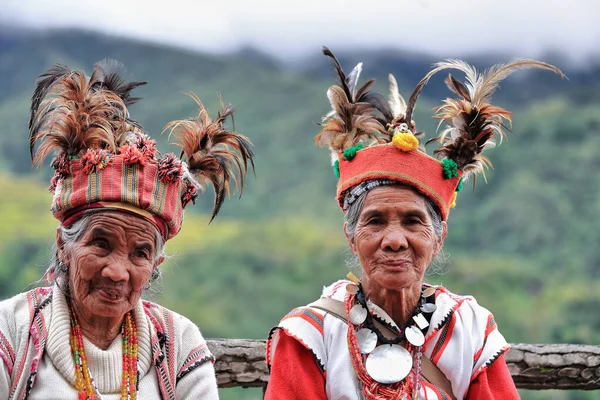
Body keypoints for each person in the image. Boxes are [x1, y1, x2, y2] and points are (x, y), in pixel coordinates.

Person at [265, 48, 564, 399]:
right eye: (374, 221)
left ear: (439, 238)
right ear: (350, 235)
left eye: (413, 221)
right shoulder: (310, 334)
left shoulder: (468, 329)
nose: (394, 240)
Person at [0, 60, 254, 399]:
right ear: (64, 245)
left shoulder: (180, 346)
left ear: (154, 268)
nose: (118, 272)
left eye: (140, 253)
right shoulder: (11, 333)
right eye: (101, 244)